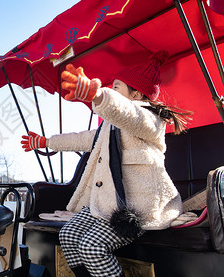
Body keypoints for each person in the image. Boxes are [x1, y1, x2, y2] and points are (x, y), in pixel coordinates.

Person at [21, 51, 190, 277]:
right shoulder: (109, 127)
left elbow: (131, 115)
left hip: (136, 206)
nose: (112, 89)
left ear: (137, 94)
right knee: (68, 235)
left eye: (117, 87)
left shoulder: (151, 121)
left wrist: (99, 96)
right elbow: (81, 138)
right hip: (106, 203)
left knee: (91, 247)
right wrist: (46, 141)